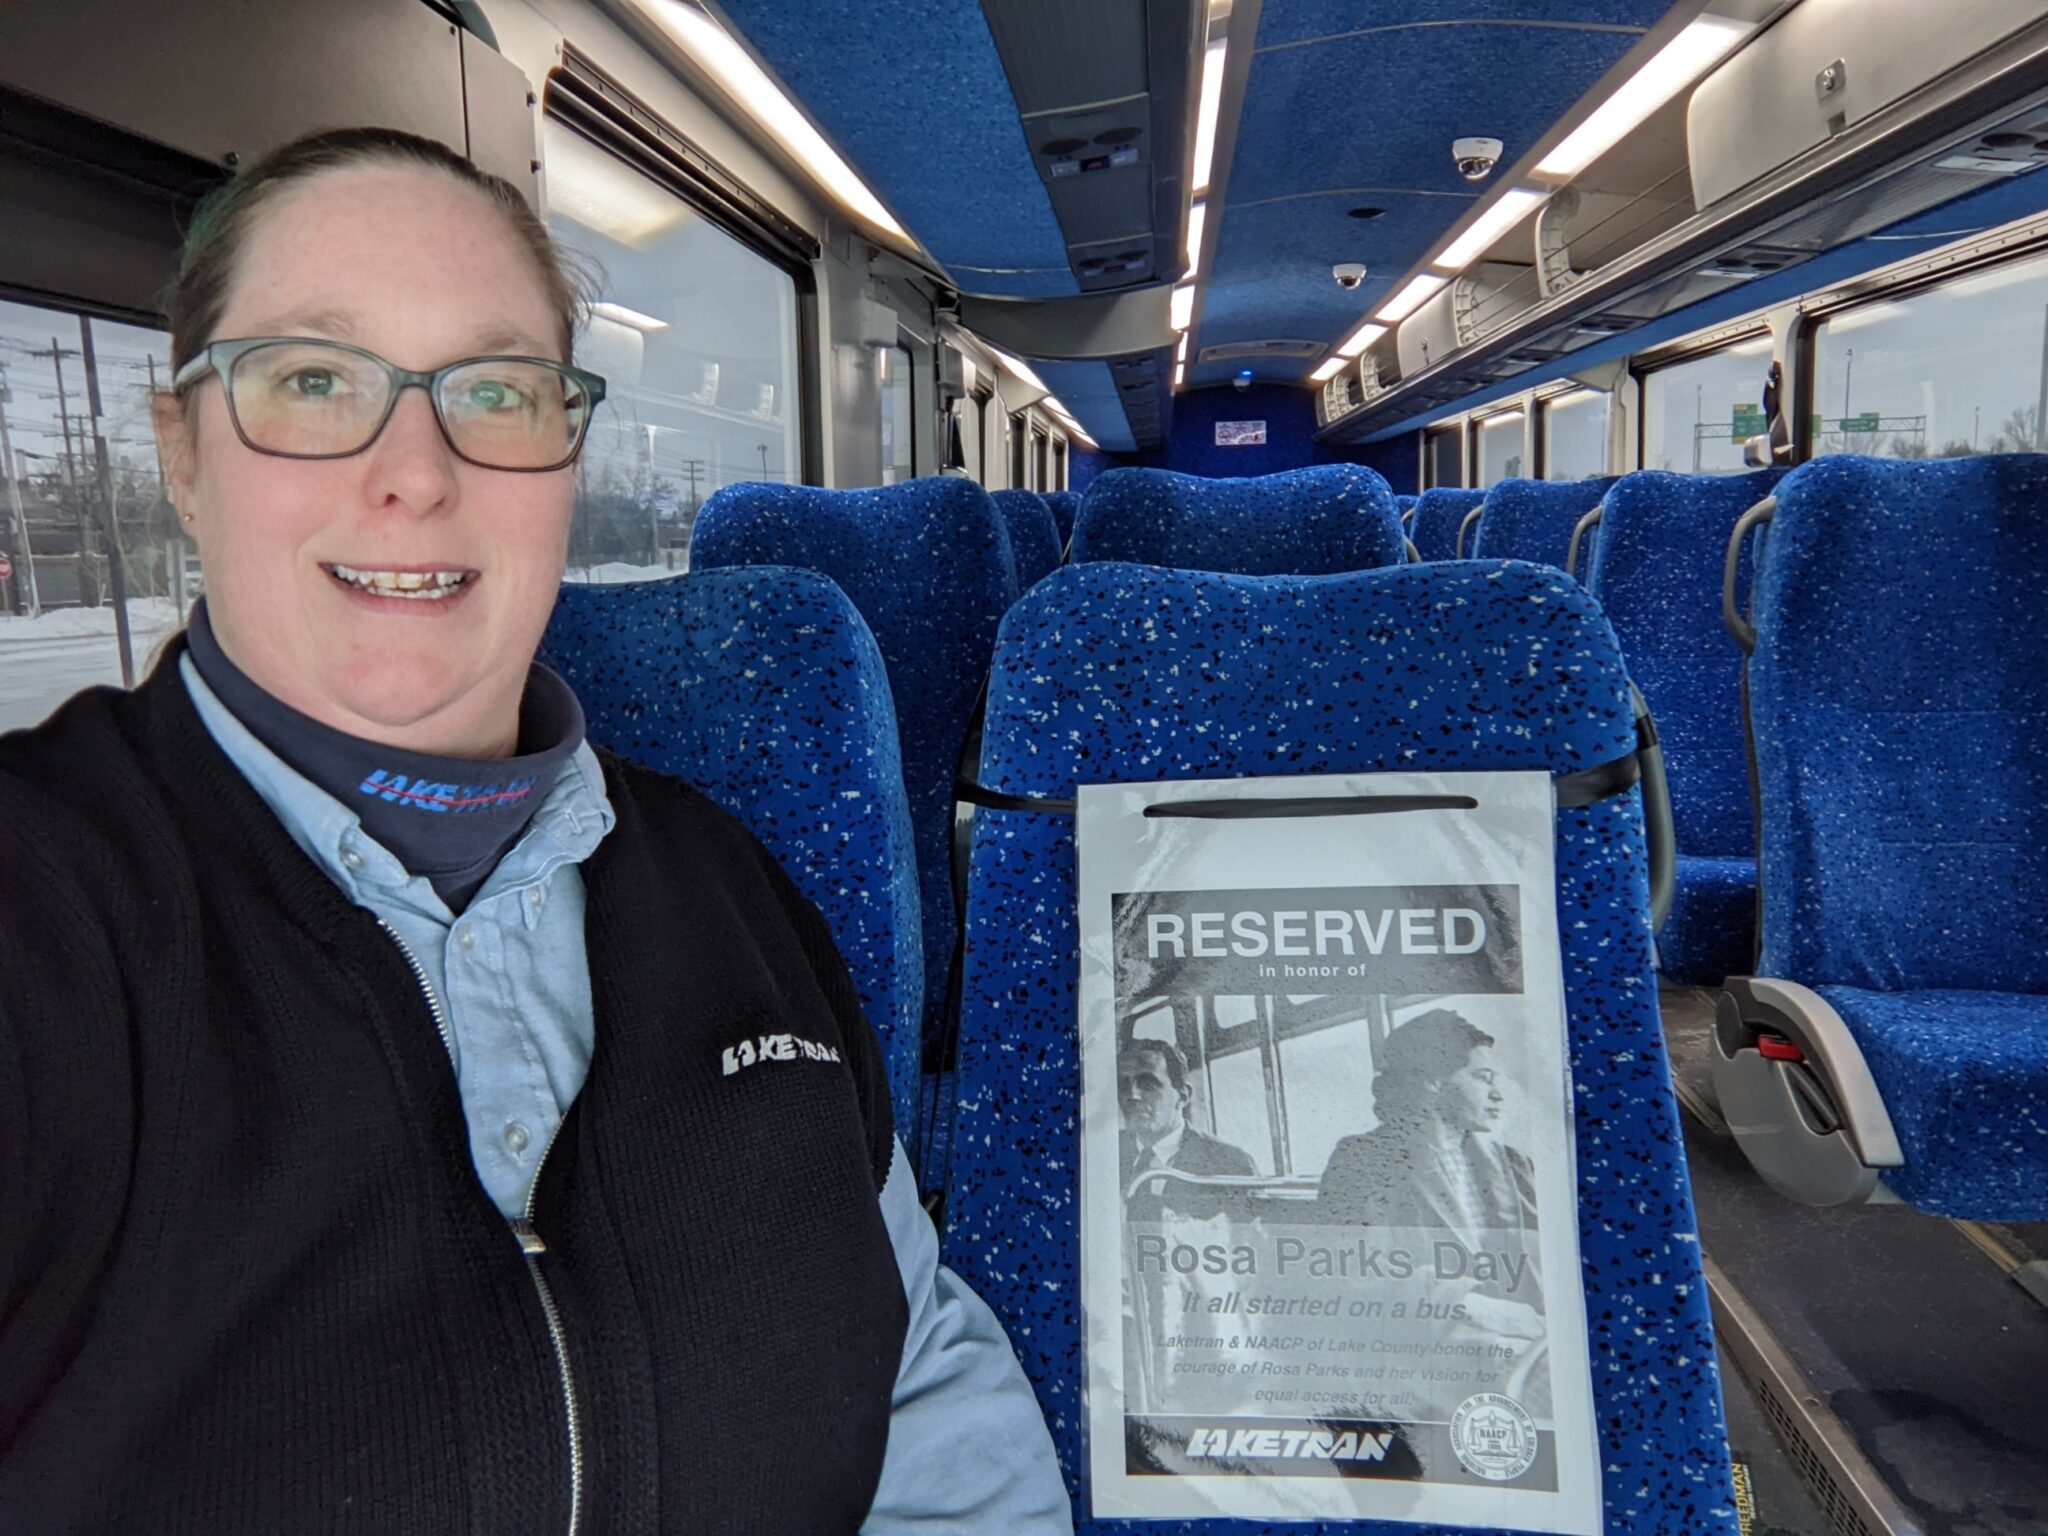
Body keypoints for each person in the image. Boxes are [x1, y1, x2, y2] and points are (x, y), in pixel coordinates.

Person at [0, 127, 1069, 1534]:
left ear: (563, 453)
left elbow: (919, 1373)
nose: (415, 473)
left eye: (495, 391)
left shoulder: (734, 884)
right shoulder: (43, 916)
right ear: (183, 454)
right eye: (314, 381)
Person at [1118, 1037, 1257, 1221]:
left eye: (1147, 1085)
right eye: (1123, 1085)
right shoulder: (1103, 1156)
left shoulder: (1232, 1164)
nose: (1132, 1096)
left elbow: (1250, 1242)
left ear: (1182, 1096)